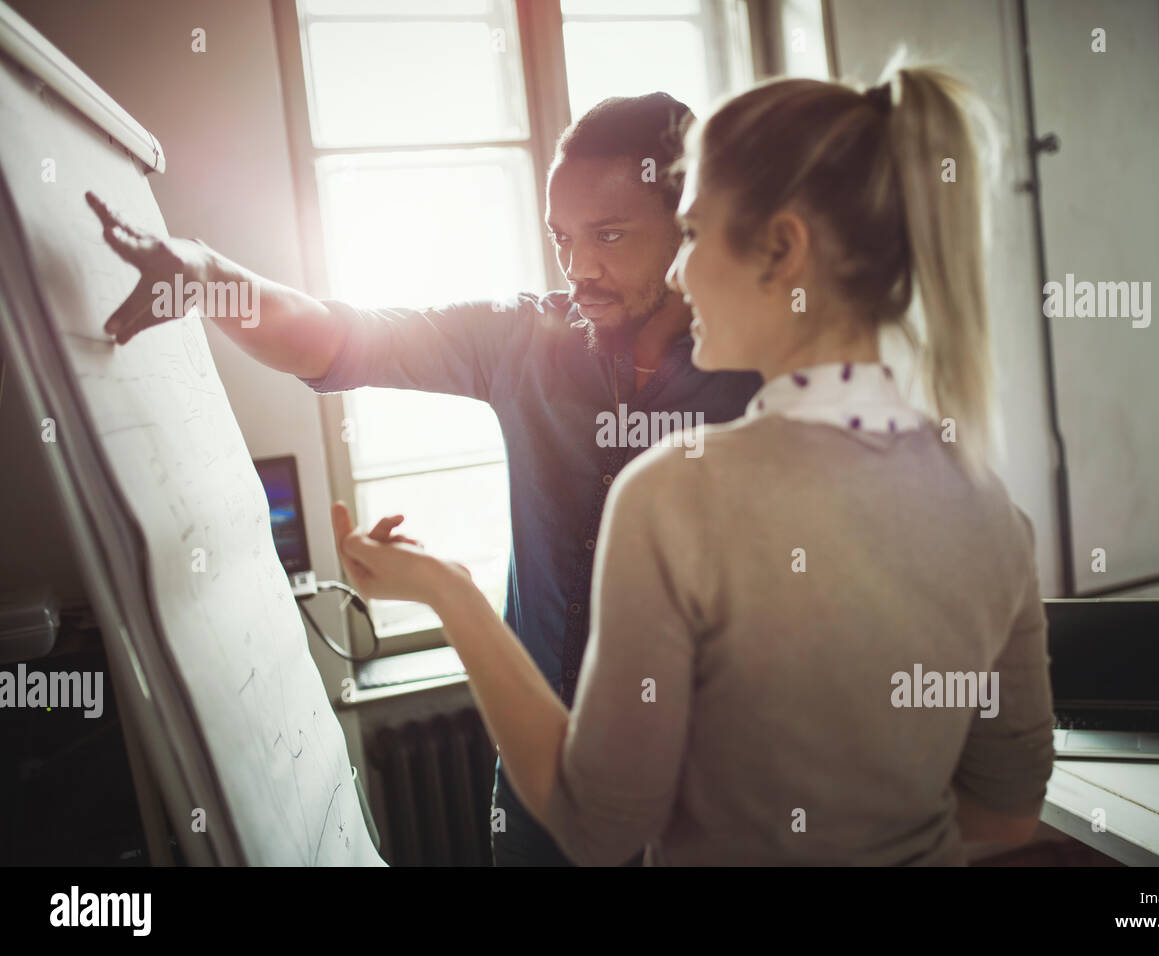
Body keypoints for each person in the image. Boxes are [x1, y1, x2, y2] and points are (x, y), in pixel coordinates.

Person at [332, 60, 1057, 866]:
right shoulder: (990, 509)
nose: (679, 269)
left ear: (782, 252)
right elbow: (1005, 812)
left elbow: (597, 828)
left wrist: (449, 592)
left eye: (697, 232)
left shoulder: (676, 493)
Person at [87, 92, 761, 867]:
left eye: (608, 236)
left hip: (699, 804)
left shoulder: (761, 379)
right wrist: (209, 278)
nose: (579, 269)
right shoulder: (523, 337)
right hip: (537, 794)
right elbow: (339, 338)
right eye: (561, 238)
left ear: (688, 224)